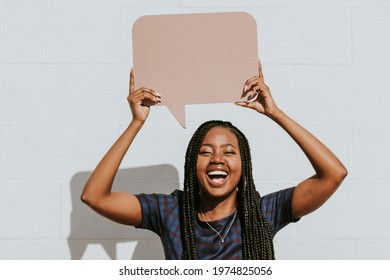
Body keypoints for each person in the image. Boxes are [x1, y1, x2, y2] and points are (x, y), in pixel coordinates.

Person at [81, 62, 348, 260]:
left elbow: (333, 174)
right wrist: (136, 122)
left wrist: (275, 113)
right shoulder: (170, 211)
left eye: (229, 152)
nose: (217, 159)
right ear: (191, 164)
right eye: (205, 151)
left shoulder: (263, 212)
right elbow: (95, 196)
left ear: (244, 166)